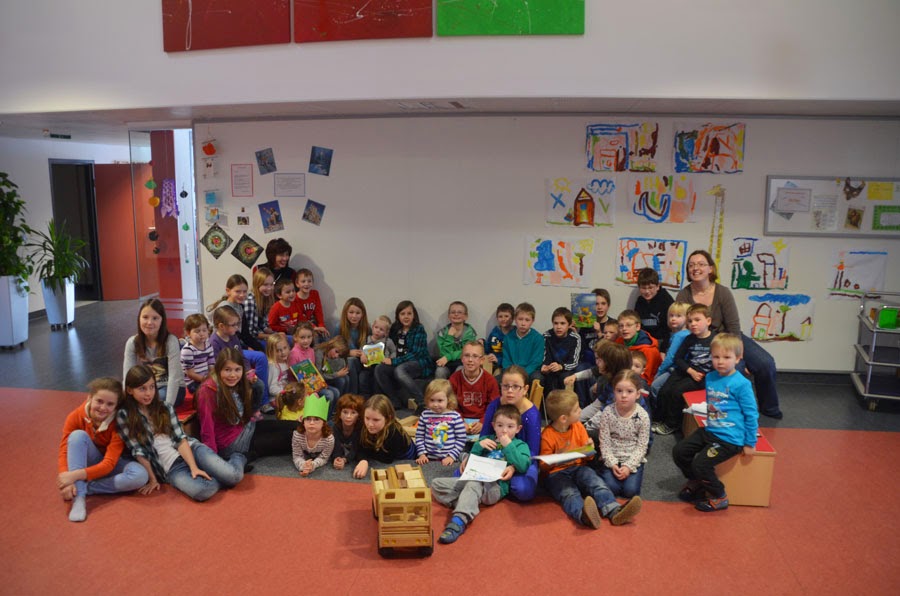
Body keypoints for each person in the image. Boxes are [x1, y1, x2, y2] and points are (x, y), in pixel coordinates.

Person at [676, 249, 783, 419]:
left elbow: (733, 326)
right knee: (736, 369)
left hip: (731, 336)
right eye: (691, 265)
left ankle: (769, 409)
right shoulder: (684, 294)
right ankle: (733, 413)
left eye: (701, 264)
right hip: (704, 341)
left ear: (711, 269)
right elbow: (683, 327)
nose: (696, 268)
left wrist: (738, 354)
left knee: (765, 363)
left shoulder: (722, 292)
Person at [117, 364, 240, 501]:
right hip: (172, 468)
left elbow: (180, 439)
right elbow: (139, 451)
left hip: (191, 450)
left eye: (152, 387)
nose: (149, 393)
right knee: (203, 491)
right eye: (142, 389)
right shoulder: (124, 415)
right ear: (129, 390)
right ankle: (217, 473)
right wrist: (153, 479)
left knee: (233, 477)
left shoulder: (165, 407)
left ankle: (239, 456)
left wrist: (193, 467)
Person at [672, 333, 759, 512]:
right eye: (716, 357)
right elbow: (713, 404)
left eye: (727, 357)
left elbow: (751, 414)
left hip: (729, 439)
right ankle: (696, 480)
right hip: (710, 430)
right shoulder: (711, 377)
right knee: (679, 451)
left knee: (700, 464)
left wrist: (750, 442)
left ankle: (719, 496)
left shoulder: (742, 384)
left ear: (738, 358)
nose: (720, 362)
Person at [539, 389, 642, 529]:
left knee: (595, 482)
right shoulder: (547, 435)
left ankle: (613, 509)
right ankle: (583, 515)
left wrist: (589, 449)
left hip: (578, 467)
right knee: (569, 494)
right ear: (563, 418)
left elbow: (589, 456)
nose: (580, 411)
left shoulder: (578, 426)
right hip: (555, 473)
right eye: (576, 409)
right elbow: (543, 466)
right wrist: (556, 459)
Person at [431, 404, 532, 544]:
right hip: (473, 480)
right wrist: (478, 446)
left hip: (494, 488)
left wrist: (508, 446)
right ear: (493, 426)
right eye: (500, 425)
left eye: (510, 426)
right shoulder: (486, 439)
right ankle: (469, 502)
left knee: (474, 483)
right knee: (436, 484)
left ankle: (459, 520)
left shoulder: (520, 445)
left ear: (518, 429)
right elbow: (470, 464)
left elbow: (523, 465)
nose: (504, 430)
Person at [57, 377, 148, 522]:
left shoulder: (118, 423)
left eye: (110, 404)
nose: (103, 407)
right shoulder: (75, 416)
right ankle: (79, 498)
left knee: (141, 475)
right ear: (90, 398)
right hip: (89, 460)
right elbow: (64, 451)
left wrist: (74, 476)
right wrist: (66, 480)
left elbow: (109, 464)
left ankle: (86, 487)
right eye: (99, 401)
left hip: (110, 463)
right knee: (77, 436)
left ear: (116, 406)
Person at [197, 348, 294, 465]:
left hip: (247, 427)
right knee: (295, 437)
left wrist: (254, 383)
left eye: (237, 369)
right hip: (233, 444)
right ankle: (243, 456)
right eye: (227, 370)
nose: (233, 375)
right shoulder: (208, 391)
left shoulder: (238, 382)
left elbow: (250, 406)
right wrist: (213, 461)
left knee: (297, 426)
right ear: (218, 369)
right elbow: (207, 428)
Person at [479, 366, 541, 501]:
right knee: (459, 474)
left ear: (525, 389)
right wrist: (474, 457)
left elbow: (532, 452)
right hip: (496, 454)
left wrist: (513, 468)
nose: (510, 391)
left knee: (524, 490)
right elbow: (484, 436)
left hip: (521, 459)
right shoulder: (494, 406)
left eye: (516, 387)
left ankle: (496, 484)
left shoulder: (532, 415)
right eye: (506, 386)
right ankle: (498, 484)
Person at [654, 304, 716, 436]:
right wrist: (690, 371)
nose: (693, 324)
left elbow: (719, 362)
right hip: (687, 370)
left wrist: (704, 376)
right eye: (690, 321)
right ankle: (659, 418)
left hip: (702, 376)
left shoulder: (715, 340)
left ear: (708, 321)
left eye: (697, 320)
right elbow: (678, 358)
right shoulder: (689, 339)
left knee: (676, 392)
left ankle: (671, 424)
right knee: (664, 390)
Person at [565, 341, 634, 441]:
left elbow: (605, 413)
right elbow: (598, 404)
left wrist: (584, 428)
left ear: (611, 364)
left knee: (581, 435)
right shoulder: (612, 381)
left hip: (625, 436)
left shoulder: (621, 389)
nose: (597, 363)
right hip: (611, 421)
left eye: (600, 360)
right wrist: (575, 419)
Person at [597, 370, 651, 498]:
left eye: (629, 391)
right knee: (612, 488)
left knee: (630, 491)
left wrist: (628, 466)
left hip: (632, 458)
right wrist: (612, 463)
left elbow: (642, 446)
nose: (624, 395)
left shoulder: (643, 416)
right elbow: (604, 443)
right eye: (619, 391)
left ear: (638, 394)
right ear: (614, 392)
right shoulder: (607, 412)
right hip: (612, 456)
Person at [123, 298, 186, 407]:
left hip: (171, 387)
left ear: (162, 321)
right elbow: (127, 376)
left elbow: (174, 379)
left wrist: (167, 408)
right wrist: (126, 401)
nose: (149, 322)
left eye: (155, 318)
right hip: (146, 387)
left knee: (154, 400)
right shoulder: (132, 342)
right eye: (145, 317)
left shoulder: (170, 341)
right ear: (139, 319)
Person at [374, 300, 434, 411]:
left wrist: (394, 361)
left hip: (418, 363)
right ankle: (394, 401)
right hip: (399, 361)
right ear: (398, 316)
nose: (406, 317)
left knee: (400, 370)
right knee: (379, 369)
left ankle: (422, 401)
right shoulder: (395, 329)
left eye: (409, 313)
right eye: (402, 314)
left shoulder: (419, 329)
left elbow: (416, 354)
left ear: (414, 315)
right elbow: (388, 345)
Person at [209, 305, 268, 411]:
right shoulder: (214, 342)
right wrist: (237, 375)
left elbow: (242, 357)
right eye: (233, 325)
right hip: (225, 377)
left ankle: (252, 411)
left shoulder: (234, 337)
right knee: (237, 391)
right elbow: (217, 367)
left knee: (259, 385)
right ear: (221, 326)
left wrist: (248, 371)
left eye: (237, 324)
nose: (237, 327)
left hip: (237, 373)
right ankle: (240, 412)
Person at [351, 394, 414, 479]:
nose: (370, 424)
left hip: (407, 456)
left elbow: (386, 459)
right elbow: (358, 445)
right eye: (367, 418)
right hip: (379, 449)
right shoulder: (363, 424)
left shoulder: (394, 432)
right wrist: (363, 460)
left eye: (376, 420)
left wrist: (365, 454)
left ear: (388, 418)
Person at [449, 340, 500, 435]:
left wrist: (483, 422)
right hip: (460, 421)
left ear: (482, 360)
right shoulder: (454, 379)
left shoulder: (490, 381)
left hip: (483, 422)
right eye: (466, 355)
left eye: (475, 356)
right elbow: (451, 405)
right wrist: (460, 422)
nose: (470, 360)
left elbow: (494, 406)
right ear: (462, 358)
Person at [415, 379, 467, 466]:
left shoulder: (455, 416)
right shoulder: (425, 415)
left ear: (448, 399)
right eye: (432, 400)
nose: (435, 404)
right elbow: (419, 436)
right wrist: (422, 454)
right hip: (429, 458)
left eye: (440, 401)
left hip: (450, 458)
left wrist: (452, 456)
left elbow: (461, 439)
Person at [206, 273, 263, 351]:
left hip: (237, 343)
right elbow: (224, 337)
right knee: (260, 356)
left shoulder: (240, 307)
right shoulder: (224, 309)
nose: (242, 295)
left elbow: (245, 334)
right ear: (228, 291)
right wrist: (246, 348)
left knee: (264, 347)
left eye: (244, 291)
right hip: (226, 348)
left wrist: (259, 348)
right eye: (238, 291)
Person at [650, 301, 692, 404]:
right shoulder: (682, 334)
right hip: (678, 369)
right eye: (671, 315)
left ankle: (657, 410)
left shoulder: (680, 335)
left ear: (687, 318)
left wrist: (659, 372)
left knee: (654, 386)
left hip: (674, 369)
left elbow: (670, 358)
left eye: (678, 316)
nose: (673, 318)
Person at [540, 306, 582, 392]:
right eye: (556, 323)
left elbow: (574, 362)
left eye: (562, 323)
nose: (558, 327)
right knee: (547, 378)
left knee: (565, 378)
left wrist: (561, 366)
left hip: (566, 369)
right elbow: (545, 356)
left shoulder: (575, 337)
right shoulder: (546, 336)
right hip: (551, 368)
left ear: (569, 325)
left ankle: (566, 400)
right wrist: (545, 366)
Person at [291, 394, 334, 477]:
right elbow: (297, 456)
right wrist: (303, 465)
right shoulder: (297, 435)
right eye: (308, 419)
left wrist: (312, 465)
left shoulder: (329, 439)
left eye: (316, 419)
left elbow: (324, 458)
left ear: (323, 423)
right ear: (303, 422)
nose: (311, 423)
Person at [615, 310, 662, 384]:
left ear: (637, 327)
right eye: (621, 326)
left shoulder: (649, 350)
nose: (624, 329)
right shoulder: (618, 342)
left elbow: (646, 377)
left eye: (628, 325)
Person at [434, 301, 477, 379]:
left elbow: (467, 352)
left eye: (459, 312)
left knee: (460, 371)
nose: (456, 314)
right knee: (440, 371)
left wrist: (448, 357)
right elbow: (443, 353)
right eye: (453, 312)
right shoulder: (442, 333)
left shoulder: (470, 333)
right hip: (446, 364)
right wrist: (449, 337)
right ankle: (440, 387)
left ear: (465, 316)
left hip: (462, 363)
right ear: (449, 316)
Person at [335, 297, 369, 394]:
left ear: (362, 314)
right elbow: (333, 349)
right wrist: (348, 352)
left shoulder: (366, 328)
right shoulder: (339, 327)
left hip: (361, 360)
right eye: (351, 312)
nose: (354, 316)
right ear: (346, 313)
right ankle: (353, 395)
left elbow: (369, 345)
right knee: (351, 361)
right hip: (343, 360)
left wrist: (364, 353)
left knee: (354, 361)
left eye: (358, 313)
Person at [632, 267, 674, 346]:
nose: (647, 291)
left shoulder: (666, 300)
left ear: (657, 286)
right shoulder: (640, 301)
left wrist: (663, 349)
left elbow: (670, 329)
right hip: (644, 340)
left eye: (650, 287)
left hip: (662, 340)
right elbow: (637, 324)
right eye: (643, 288)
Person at [503, 302, 544, 381]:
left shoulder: (538, 338)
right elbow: (506, 360)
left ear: (532, 321)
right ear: (515, 319)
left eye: (527, 320)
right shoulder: (508, 338)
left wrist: (522, 374)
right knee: (496, 380)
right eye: (520, 319)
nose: (523, 323)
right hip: (512, 371)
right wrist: (512, 373)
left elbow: (536, 361)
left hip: (530, 372)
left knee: (537, 378)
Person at [179, 313, 215, 395]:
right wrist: (206, 380)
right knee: (206, 392)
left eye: (204, 330)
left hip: (205, 377)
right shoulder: (188, 350)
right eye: (197, 331)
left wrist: (213, 377)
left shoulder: (208, 346)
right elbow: (190, 374)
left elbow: (211, 365)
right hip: (192, 382)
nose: (202, 334)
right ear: (188, 333)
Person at [360, 315, 396, 395]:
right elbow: (361, 350)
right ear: (372, 327)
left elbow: (394, 351)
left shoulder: (388, 341)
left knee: (377, 380)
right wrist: (362, 355)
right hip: (368, 367)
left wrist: (390, 359)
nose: (378, 331)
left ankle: (377, 397)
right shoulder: (366, 340)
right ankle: (365, 397)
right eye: (376, 327)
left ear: (386, 333)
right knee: (363, 377)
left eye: (381, 329)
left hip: (381, 366)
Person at [331, 393, 365, 470]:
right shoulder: (335, 427)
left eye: (353, 412)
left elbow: (355, 449)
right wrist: (337, 458)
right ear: (339, 414)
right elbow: (336, 446)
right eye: (345, 412)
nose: (348, 416)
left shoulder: (360, 429)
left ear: (358, 415)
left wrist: (345, 460)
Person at [243, 266, 275, 347]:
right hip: (248, 341)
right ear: (257, 285)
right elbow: (251, 333)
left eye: (271, 284)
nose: (269, 288)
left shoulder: (266, 299)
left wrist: (275, 333)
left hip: (259, 335)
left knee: (287, 339)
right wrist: (270, 336)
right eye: (265, 285)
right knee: (277, 345)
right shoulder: (250, 302)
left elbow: (263, 325)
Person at [294, 268, 329, 339]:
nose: (306, 284)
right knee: (314, 337)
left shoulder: (315, 294)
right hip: (301, 326)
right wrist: (314, 328)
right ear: (297, 284)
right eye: (303, 281)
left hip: (314, 324)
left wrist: (321, 325)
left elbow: (318, 311)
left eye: (309, 281)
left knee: (325, 335)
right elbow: (300, 318)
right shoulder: (295, 299)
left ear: (312, 282)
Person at [484, 302, 514, 375]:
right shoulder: (495, 332)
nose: (503, 319)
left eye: (506, 316)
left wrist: (499, 360)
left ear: (512, 318)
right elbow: (488, 348)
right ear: (497, 318)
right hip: (493, 362)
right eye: (500, 316)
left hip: (507, 365)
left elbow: (514, 356)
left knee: (497, 374)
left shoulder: (515, 333)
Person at [265, 332, 292, 398]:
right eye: (278, 350)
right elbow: (272, 389)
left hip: (286, 392)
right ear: (271, 352)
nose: (283, 352)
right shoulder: (273, 366)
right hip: (277, 398)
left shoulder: (286, 360)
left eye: (285, 348)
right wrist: (286, 392)